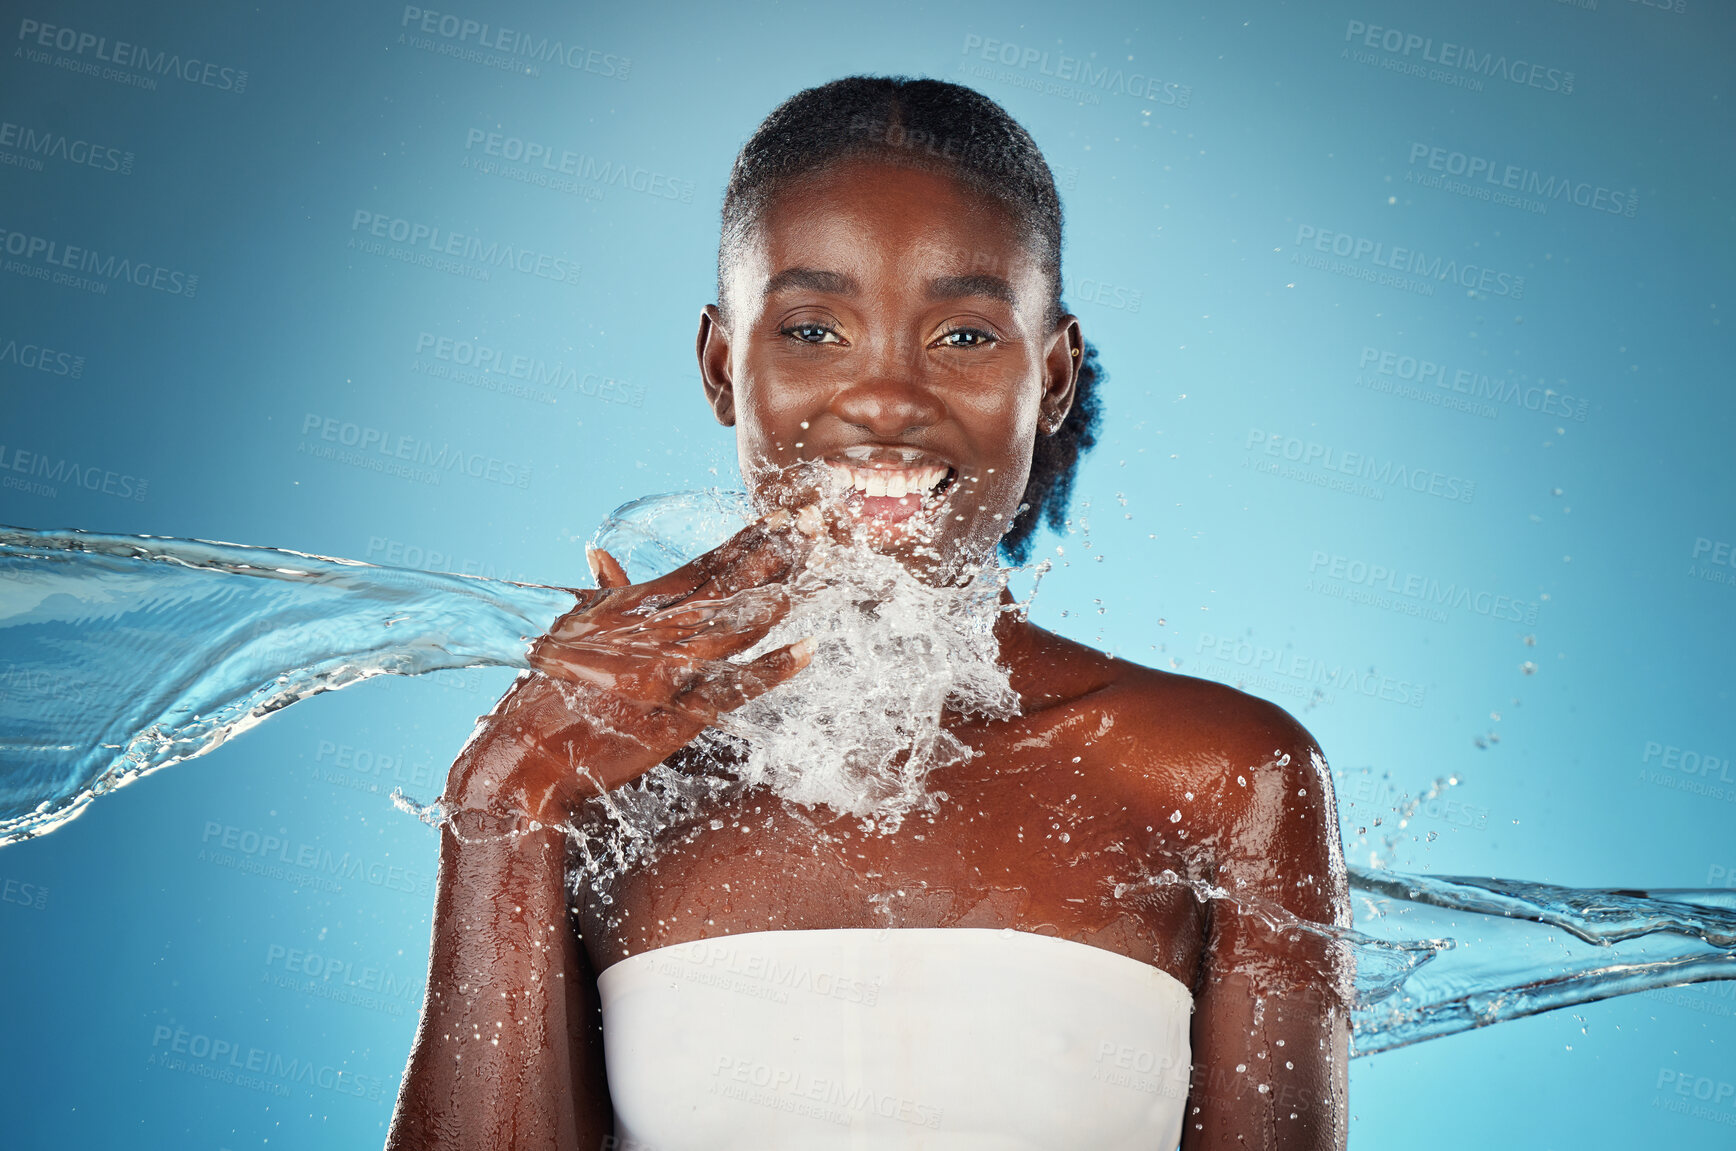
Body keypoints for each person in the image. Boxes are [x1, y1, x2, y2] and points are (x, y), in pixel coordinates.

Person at [386, 77, 1349, 1151]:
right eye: (811, 328)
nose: (886, 397)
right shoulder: (595, 771)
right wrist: (502, 799)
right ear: (720, 365)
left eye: (965, 337)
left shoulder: (1225, 774)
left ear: (1054, 374)